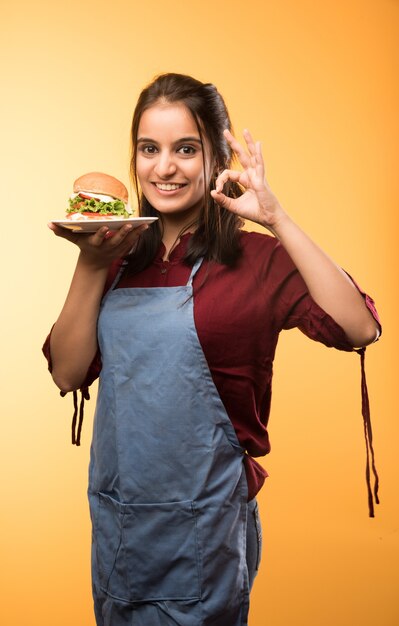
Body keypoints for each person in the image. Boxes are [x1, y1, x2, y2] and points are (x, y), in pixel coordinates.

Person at [43, 72, 381, 626]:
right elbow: (67, 372)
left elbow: (358, 328)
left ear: (217, 157)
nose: (164, 167)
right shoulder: (117, 256)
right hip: (122, 526)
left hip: (206, 527)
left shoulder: (256, 260)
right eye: (149, 149)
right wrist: (91, 259)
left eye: (186, 149)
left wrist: (277, 217)